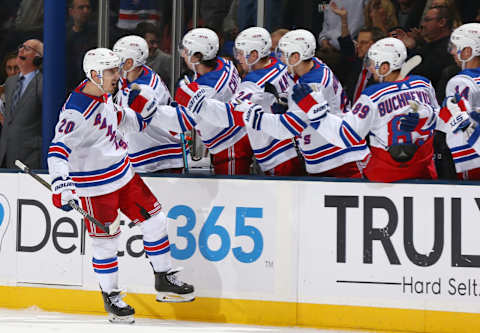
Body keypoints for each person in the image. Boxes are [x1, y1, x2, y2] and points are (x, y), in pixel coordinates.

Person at [47, 48, 194, 323]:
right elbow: (57, 150)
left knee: (155, 221)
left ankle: (164, 278)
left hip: (124, 174)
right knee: (106, 243)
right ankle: (112, 297)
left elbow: (124, 122)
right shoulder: (75, 112)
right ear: (95, 74)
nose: (118, 75)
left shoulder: (103, 93)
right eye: (112, 71)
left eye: (117, 69)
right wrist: (62, 185)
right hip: (96, 187)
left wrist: (143, 114)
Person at [286, 37, 438, 182]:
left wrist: (314, 111)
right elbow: (441, 119)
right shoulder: (423, 84)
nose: (370, 68)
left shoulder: (373, 95)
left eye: (373, 63)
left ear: (385, 66)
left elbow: (345, 135)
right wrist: (427, 117)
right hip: (424, 173)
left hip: (385, 177)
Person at [234, 29, 369, 177]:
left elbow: (288, 127)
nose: (281, 59)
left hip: (343, 159)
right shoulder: (311, 66)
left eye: (284, 54)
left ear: (297, 57)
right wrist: (288, 103)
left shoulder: (313, 86)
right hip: (323, 159)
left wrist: (256, 118)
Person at [182, 27, 303, 176]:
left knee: (236, 194)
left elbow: (230, 114)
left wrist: (200, 105)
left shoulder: (253, 84)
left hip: (271, 150)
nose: (238, 58)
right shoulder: (279, 63)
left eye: (240, 53)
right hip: (290, 141)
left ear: (254, 54)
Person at [175, 27, 248, 175]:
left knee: (232, 194)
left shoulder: (208, 89)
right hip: (235, 137)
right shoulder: (225, 63)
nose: (183, 55)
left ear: (197, 57)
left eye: (187, 51)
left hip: (229, 144)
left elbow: (186, 119)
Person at [113, 35, 191, 173]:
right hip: (149, 155)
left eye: (119, 60)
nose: (115, 65)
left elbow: (130, 122)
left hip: (161, 159)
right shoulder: (131, 77)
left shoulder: (145, 89)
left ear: (130, 63)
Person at [435, 23, 480, 180]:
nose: (453, 52)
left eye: (455, 47)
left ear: (468, 51)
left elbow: (451, 125)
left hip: (471, 159)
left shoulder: (461, 81)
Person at [0, 39, 43, 169]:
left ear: (37, 58)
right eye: (21, 47)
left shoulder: (43, 82)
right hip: (5, 152)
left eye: (27, 49)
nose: (21, 50)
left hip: (29, 156)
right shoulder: (10, 82)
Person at [65, 0, 97, 92]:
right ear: (71, 11)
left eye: (88, 7)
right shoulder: (63, 34)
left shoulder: (98, 33)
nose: (85, 11)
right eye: (81, 7)